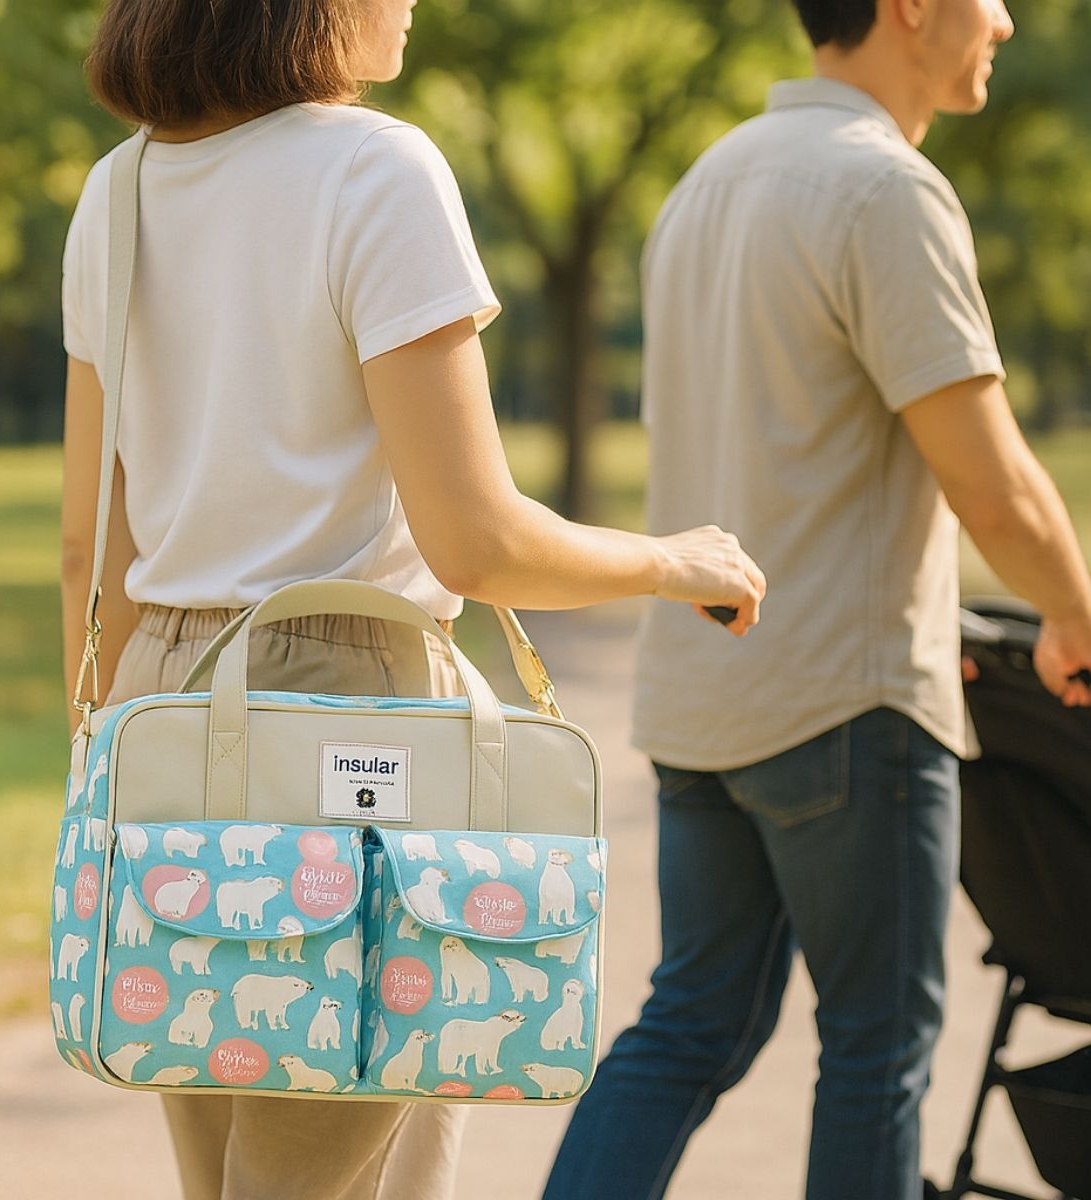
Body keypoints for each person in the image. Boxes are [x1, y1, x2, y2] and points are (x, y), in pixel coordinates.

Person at [58, 2, 766, 1198]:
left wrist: (101, 763)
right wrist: (668, 559)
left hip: (162, 701)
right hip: (349, 708)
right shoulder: (377, 170)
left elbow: (90, 542)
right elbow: (476, 543)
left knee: (230, 1162)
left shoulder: (116, 193)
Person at [544, 0, 1091, 1197]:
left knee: (689, 1026)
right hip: (848, 704)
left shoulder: (705, 184)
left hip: (702, 704)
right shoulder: (885, 190)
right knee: (876, 1049)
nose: (1005, 20)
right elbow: (992, 483)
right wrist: (1075, 610)